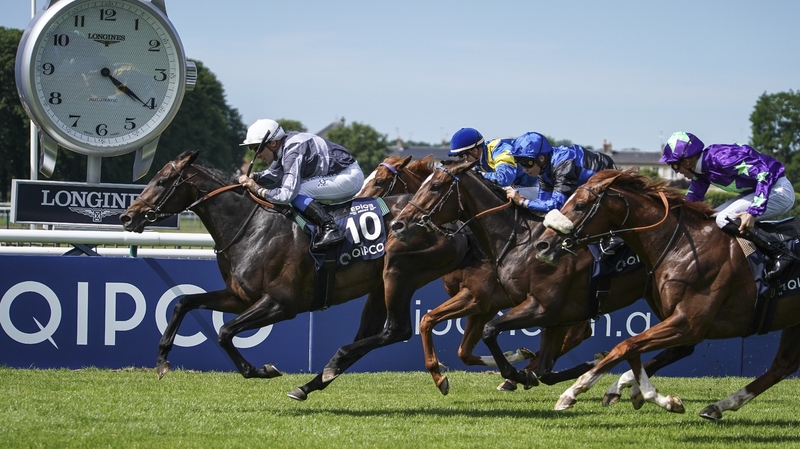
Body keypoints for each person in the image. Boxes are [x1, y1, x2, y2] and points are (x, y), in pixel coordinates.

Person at [661, 131, 796, 280]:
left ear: (686, 161)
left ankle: (780, 253)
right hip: (762, 192)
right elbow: (690, 203)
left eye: (674, 166)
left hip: (779, 191)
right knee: (711, 218)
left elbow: (764, 174)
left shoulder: (722, 158)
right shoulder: (702, 172)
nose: (677, 172)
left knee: (723, 218)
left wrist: (753, 211)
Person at [238, 119, 364, 249]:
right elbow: (274, 174)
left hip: (349, 176)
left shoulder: (293, 150)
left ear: (273, 143)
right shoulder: (285, 146)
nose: (257, 155)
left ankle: (330, 228)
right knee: (298, 189)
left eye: (257, 149)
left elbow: (286, 195)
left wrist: (257, 189)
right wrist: (255, 177)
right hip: (341, 173)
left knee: (297, 191)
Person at [504, 132, 616, 213]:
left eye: (526, 162)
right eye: (519, 162)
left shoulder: (563, 165)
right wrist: (526, 202)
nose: (524, 168)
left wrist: (524, 202)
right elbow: (545, 202)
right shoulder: (543, 169)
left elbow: (557, 205)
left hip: (608, 180)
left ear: (541, 158)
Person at [448, 127, 538, 190]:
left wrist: (476, 174)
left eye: (463, 156)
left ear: (475, 151)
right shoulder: (479, 159)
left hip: (539, 186)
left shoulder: (501, 150)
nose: (463, 162)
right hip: (521, 186)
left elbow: (504, 178)